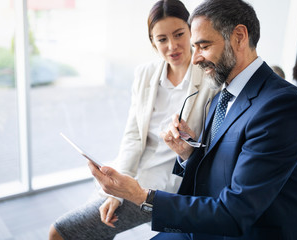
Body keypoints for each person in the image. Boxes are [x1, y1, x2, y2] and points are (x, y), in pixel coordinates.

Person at [88, 0, 297, 239]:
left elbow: (236, 212)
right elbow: (224, 168)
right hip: (207, 225)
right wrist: (188, 154)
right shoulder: (224, 96)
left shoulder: (281, 106)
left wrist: (139, 195)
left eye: (203, 46)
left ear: (239, 37)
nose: (195, 58)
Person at [49, 0, 218, 239]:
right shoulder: (145, 74)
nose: (172, 46)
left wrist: (187, 143)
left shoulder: (210, 78)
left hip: (163, 187)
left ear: (191, 30)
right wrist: (117, 189)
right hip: (132, 173)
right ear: (152, 41)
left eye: (179, 34)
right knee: (99, 221)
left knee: (59, 232)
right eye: (161, 39)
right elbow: (133, 136)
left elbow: (211, 149)